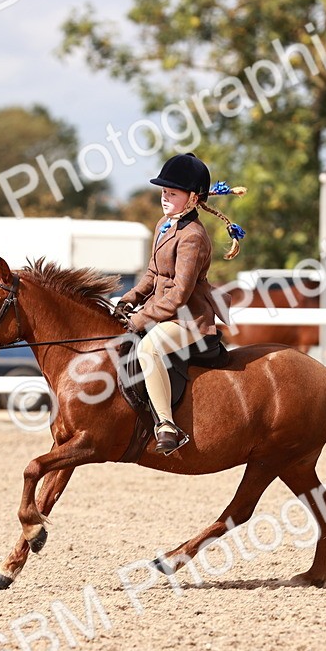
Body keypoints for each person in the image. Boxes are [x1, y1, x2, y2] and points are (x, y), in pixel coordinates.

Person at [114, 153, 247, 455]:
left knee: (149, 347)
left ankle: (166, 425)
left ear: (192, 198)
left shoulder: (193, 236)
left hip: (188, 319)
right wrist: (128, 299)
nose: (165, 197)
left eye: (172, 193)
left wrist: (140, 319)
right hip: (164, 312)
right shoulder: (164, 224)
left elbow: (179, 295)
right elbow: (152, 273)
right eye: (163, 192)